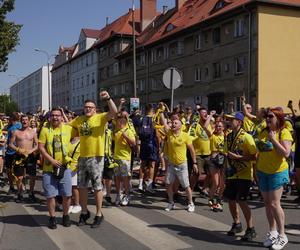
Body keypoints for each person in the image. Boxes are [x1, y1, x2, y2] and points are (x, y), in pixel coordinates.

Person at [69, 91, 117, 228]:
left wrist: (108, 98)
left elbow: (113, 112)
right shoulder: (79, 119)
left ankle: (99, 214)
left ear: (95, 109)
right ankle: (84, 212)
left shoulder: (100, 117)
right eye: (86, 107)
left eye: (91, 107)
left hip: (96, 157)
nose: (88, 109)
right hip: (82, 157)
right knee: (82, 186)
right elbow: (66, 126)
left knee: (97, 187)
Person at [256, 107, 293, 249]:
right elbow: (260, 151)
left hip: (278, 172)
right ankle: (273, 232)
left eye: (271, 116)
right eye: (267, 117)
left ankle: (283, 235)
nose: (268, 119)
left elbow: (286, 153)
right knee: (266, 203)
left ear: (278, 118)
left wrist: (273, 139)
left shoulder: (284, 132)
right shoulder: (263, 132)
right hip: (263, 171)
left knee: (274, 204)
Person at [223, 112, 257, 241]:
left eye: (232, 120)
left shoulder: (247, 137)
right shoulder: (229, 136)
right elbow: (226, 153)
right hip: (232, 173)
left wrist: (239, 157)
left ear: (239, 122)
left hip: (244, 174)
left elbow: (255, 156)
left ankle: (250, 228)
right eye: (229, 120)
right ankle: (236, 223)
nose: (229, 122)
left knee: (242, 201)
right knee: (231, 199)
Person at [38, 108, 73, 229]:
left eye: (58, 115)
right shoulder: (45, 130)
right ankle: (52, 218)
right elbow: (41, 147)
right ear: (50, 117)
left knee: (67, 194)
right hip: (49, 168)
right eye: (53, 115)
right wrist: (51, 160)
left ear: (62, 117)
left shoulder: (68, 128)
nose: (55, 117)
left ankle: (65, 215)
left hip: (65, 167)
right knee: (50, 195)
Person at [161, 113, 198, 212]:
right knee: (168, 184)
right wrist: (161, 113)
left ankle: (190, 203)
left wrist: (194, 163)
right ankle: (171, 202)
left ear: (180, 126)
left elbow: (192, 150)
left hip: (182, 164)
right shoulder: (169, 134)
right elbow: (164, 123)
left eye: (175, 123)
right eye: (172, 123)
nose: (173, 124)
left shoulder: (185, 136)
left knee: (186, 185)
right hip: (171, 164)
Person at [8, 115, 38, 203]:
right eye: (23, 120)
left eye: (26, 120)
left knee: (32, 176)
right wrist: (18, 149)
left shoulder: (33, 132)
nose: (24, 121)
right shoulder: (16, 132)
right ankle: (19, 193)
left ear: (29, 121)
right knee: (19, 177)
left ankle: (31, 193)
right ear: (20, 122)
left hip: (30, 156)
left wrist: (31, 150)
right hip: (19, 156)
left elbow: (37, 145)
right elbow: (10, 144)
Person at [113, 112, 136, 206]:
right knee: (117, 177)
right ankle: (119, 194)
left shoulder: (128, 131)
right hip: (116, 157)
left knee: (125, 178)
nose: (120, 122)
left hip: (125, 158)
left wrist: (126, 136)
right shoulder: (116, 131)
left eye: (122, 121)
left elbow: (134, 143)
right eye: (119, 121)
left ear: (125, 122)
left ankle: (127, 195)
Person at [138, 104, 158, 193]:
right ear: (152, 110)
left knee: (143, 164)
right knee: (151, 165)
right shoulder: (153, 119)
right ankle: (149, 185)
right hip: (152, 144)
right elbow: (157, 134)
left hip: (143, 144)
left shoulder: (142, 119)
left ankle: (140, 184)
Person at [208, 120, 225, 212]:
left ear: (223, 128)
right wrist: (213, 128)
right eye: (217, 126)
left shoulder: (226, 136)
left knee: (223, 183)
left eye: (220, 126)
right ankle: (210, 198)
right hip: (214, 160)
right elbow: (206, 128)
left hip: (223, 160)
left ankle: (219, 198)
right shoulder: (212, 136)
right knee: (216, 182)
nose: (218, 128)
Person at [5, 112, 22, 194]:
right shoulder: (9, 126)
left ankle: (20, 187)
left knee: (17, 171)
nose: (9, 119)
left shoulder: (19, 125)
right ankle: (11, 186)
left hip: (17, 151)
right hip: (9, 151)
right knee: (8, 170)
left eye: (11, 118)